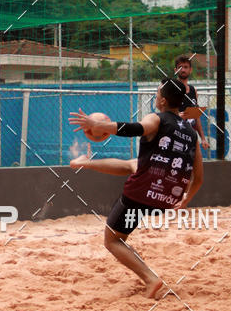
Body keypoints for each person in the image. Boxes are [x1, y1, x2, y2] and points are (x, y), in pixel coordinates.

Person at [69, 78, 203, 299]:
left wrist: (99, 126)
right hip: (169, 199)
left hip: (142, 193)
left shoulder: (156, 118)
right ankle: (86, 163)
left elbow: (135, 129)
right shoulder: (191, 133)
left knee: (112, 240)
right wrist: (185, 200)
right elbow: (199, 178)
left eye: (157, 93)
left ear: (162, 100)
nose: (156, 96)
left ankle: (150, 278)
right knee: (134, 164)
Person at [174, 54, 209, 150]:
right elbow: (164, 113)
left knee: (195, 159)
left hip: (191, 136)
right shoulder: (172, 89)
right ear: (175, 70)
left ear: (190, 70)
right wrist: (177, 116)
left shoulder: (193, 90)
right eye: (180, 67)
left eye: (186, 67)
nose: (183, 70)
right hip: (176, 135)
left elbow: (196, 116)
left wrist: (203, 138)